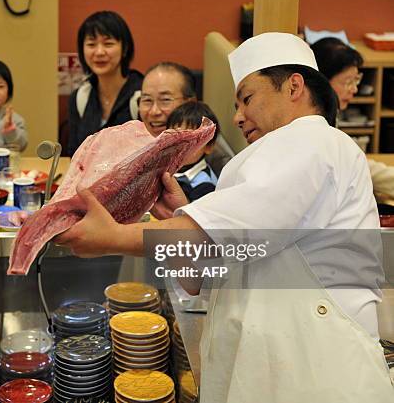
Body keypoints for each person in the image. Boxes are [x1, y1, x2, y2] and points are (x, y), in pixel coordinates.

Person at [56, 33, 393, 401]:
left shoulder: (315, 140)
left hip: (319, 378)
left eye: (247, 98)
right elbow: (205, 276)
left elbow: (237, 231)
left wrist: (112, 238)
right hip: (269, 373)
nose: (237, 116)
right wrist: (179, 220)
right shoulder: (270, 158)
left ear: (294, 86)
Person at [311, 37, 394, 201]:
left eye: (356, 80)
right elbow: (352, 166)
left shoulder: (327, 116)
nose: (354, 89)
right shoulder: (315, 127)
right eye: (348, 82)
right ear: (322, 83)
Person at [67, 11, 143, 155]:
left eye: (108, 44)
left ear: (125, 48)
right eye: (91, 44)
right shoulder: (79, 97)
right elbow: (75, 153)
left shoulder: (142, 97)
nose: (99, 52)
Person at [166, 101, 219, 202]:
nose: (180, 145)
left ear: (209, 146)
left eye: (190, 140)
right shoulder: (169, 168)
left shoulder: (205, 186)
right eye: (175, 136)